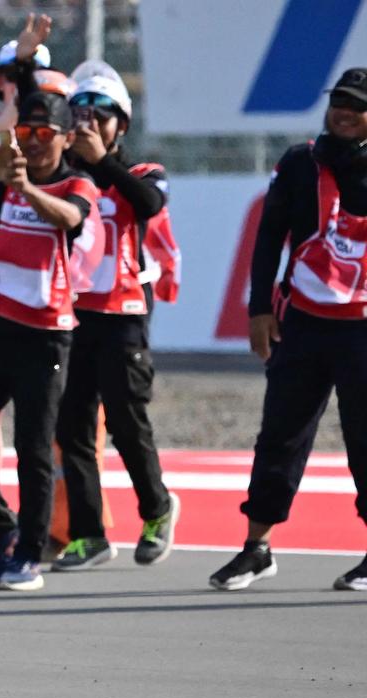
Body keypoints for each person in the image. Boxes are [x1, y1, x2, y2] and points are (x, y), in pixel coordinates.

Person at [0, 52, 102, 591]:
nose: (32, 139)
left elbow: (71, 220)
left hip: (47, 338)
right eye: (26, 129)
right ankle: (2, 531)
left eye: (43, 131)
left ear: (63, 137)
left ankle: (28, 555)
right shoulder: (3, 170)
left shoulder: (76, 185)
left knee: (35, 449)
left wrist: (27, 189)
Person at [210, 68, 367, 592]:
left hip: (362, 330)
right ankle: (256, 548)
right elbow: (268, 234)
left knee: (365, 440)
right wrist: (259, 307)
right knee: (279, 435)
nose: (344, 113)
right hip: (303, 324)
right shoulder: (301, 163)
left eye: (357, 106)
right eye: (338, 103)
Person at [50, 61, 182, 571]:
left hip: (125, 314)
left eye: (101, 114)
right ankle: (89, 535)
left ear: (120, 124)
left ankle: (157, 509)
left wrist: (102, 162)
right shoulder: (65, 180)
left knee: (127, 422)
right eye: (80, 113)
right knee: (74, 429)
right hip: (73, 316)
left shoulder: (143, 173)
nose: (89, 122)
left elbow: (147, 204)